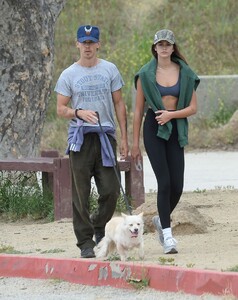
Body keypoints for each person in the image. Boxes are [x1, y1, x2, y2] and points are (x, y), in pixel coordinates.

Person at [54, 25, 128, 258]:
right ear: (77, 44)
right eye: (83, 42)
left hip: (105, 136)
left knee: (111, 189)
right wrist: (78, 113)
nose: (87, 47)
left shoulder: (110, 69)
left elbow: (119, 103)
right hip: (80, 139)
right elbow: (60, 108)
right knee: (81, 193)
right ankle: (85, 242)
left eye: (91, 42)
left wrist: (124, 137)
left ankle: (99, 225)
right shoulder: (68, 74)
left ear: (98, 44)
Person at [131, 29, 200, 254]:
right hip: (154, 127)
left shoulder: (185, 72)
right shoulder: (145, 74)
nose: (163, 48)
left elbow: (192, 108)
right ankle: (168, 238)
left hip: (175, 125)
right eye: (159, 44)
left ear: (172, 47)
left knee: (177, 185)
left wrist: (171, 115)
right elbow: (139, 110)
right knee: (165, 182)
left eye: (167, 44)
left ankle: (161, 220)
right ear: (154, 47)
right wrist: (134, 144)